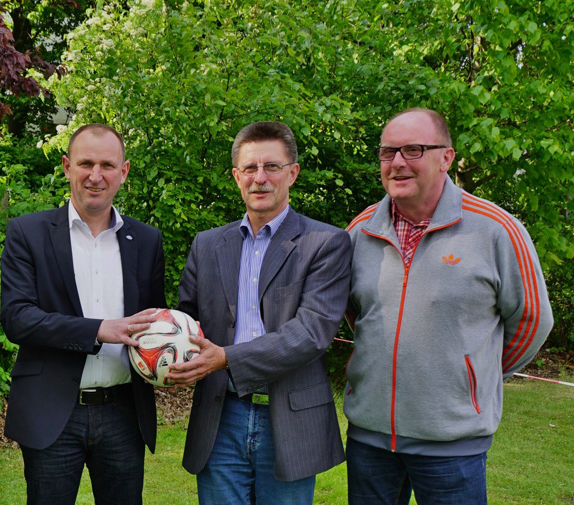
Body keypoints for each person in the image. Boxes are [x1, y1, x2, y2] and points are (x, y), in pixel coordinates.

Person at [343, 107, 553, 504]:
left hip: (452, 445)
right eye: (388, 153)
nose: (398, 163)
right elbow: (357, 313)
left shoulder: (496, 230)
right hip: (369, 441)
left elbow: (532, 320)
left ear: (447, 158)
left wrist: (473, 372)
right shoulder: (359, 231)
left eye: (414, 150)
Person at [166, 121, 351, 504]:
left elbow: (311, 333)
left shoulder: (325, 243)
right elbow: (187, 321)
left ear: (293, 173)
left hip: (288, 417)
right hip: (221, 418)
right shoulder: (207, 244)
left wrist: (225, 358)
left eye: (272, 167)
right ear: (237, 176)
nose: (260, 178)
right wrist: (164, 346)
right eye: (250, 168)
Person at [0, 123, 164, 504]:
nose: (96, 175)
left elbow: (151, 324)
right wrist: (98, 330)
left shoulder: (147, 240)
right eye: (85, 163)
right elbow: (17, 318)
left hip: (124, 412)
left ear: (123, 172)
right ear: (66, 166)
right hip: (52, 410)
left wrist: (177, 346)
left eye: (107, 164)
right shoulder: (28, 232)